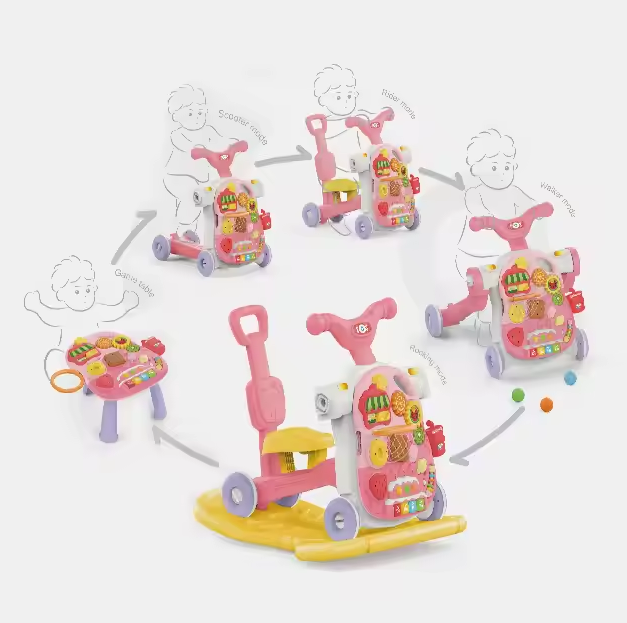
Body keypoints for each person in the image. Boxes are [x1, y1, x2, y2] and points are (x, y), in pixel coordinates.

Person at [24, 256, 139, 379]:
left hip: (97, 354)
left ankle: (102, 376)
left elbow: (112, 312)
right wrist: (37, 306)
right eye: (77, 291)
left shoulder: (97, 309)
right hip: (68, 355)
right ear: (61, 295)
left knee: (114, 355)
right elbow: (49, 316)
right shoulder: (64, 314)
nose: (84, 295)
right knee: (55, 356)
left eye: (88, 290)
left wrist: (126, 305)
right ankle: (64, 376)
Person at [164, 84, 235, 236]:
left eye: (200, 112)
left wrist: (233, 144)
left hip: (200, 178)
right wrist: (197, 149)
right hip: (178, 177)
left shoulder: (208, 130)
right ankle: (184, 231)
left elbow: (220, 140)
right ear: (176, 115)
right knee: (191, 198)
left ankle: (215, 233)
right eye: (190, 113)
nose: (197, 117)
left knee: (219, 197)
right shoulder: (178, 134)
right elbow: (188, 148)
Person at [313, 64, 378, 178]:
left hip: (360, 169)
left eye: (349, 95)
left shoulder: (357, 121)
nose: (346, 102)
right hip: (337, 174)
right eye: (338, 97)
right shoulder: (321, 126)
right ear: (322, 100)